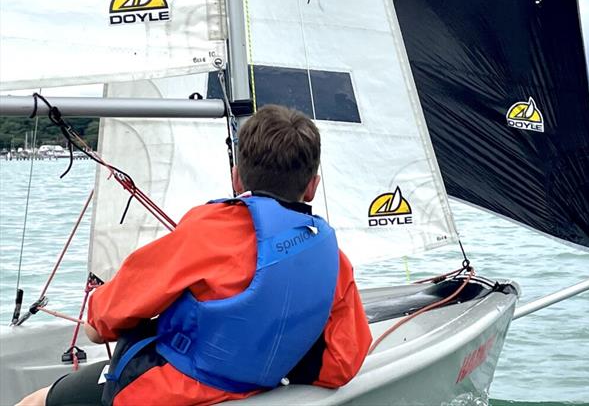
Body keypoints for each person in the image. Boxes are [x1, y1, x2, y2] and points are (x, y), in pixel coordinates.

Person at [18, 105, 372, 406]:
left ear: (236, 178)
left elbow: (103, 320)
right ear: (313, 185)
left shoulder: (209, 232)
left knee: (37, 401)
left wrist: (99, 321)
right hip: (255, 388)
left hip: (163, 391)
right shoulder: (334, 260)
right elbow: (343, 362)